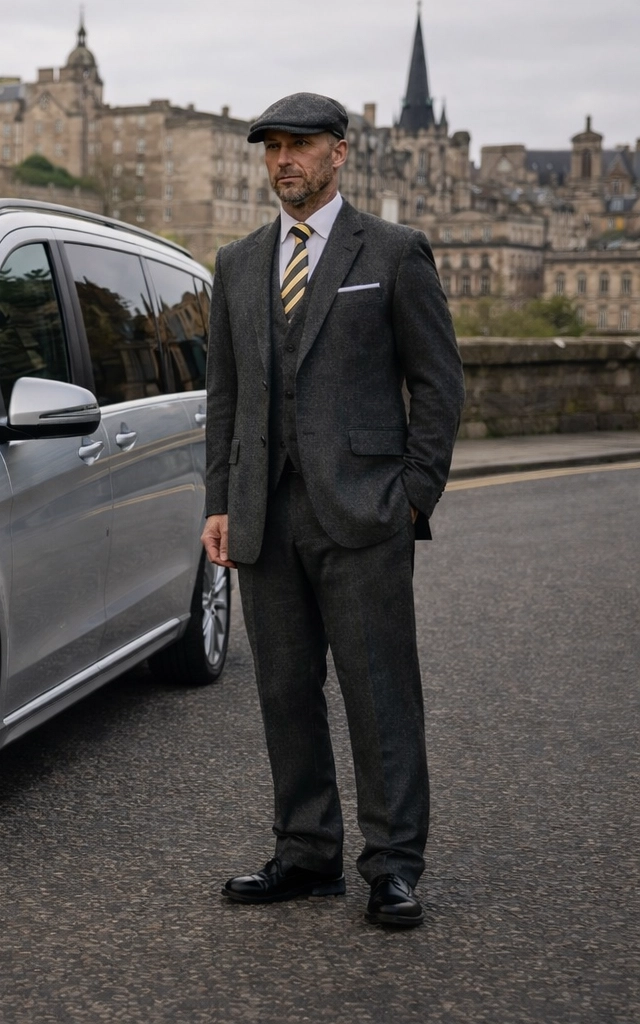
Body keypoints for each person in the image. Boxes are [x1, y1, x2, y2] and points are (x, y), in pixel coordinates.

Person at [201, 92, 464, 928]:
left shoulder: (393, 250)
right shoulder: (239, 264)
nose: (285, 160)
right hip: (264, 515)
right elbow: (226, 398)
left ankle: (393, 865)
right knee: (284, 690)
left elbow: (438, 385)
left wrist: (411, 494)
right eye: (273, 147)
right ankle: (307, 853)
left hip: (363, 514)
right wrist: (220, 503)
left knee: (379, 692)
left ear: (340, 153)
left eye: (302, 146)